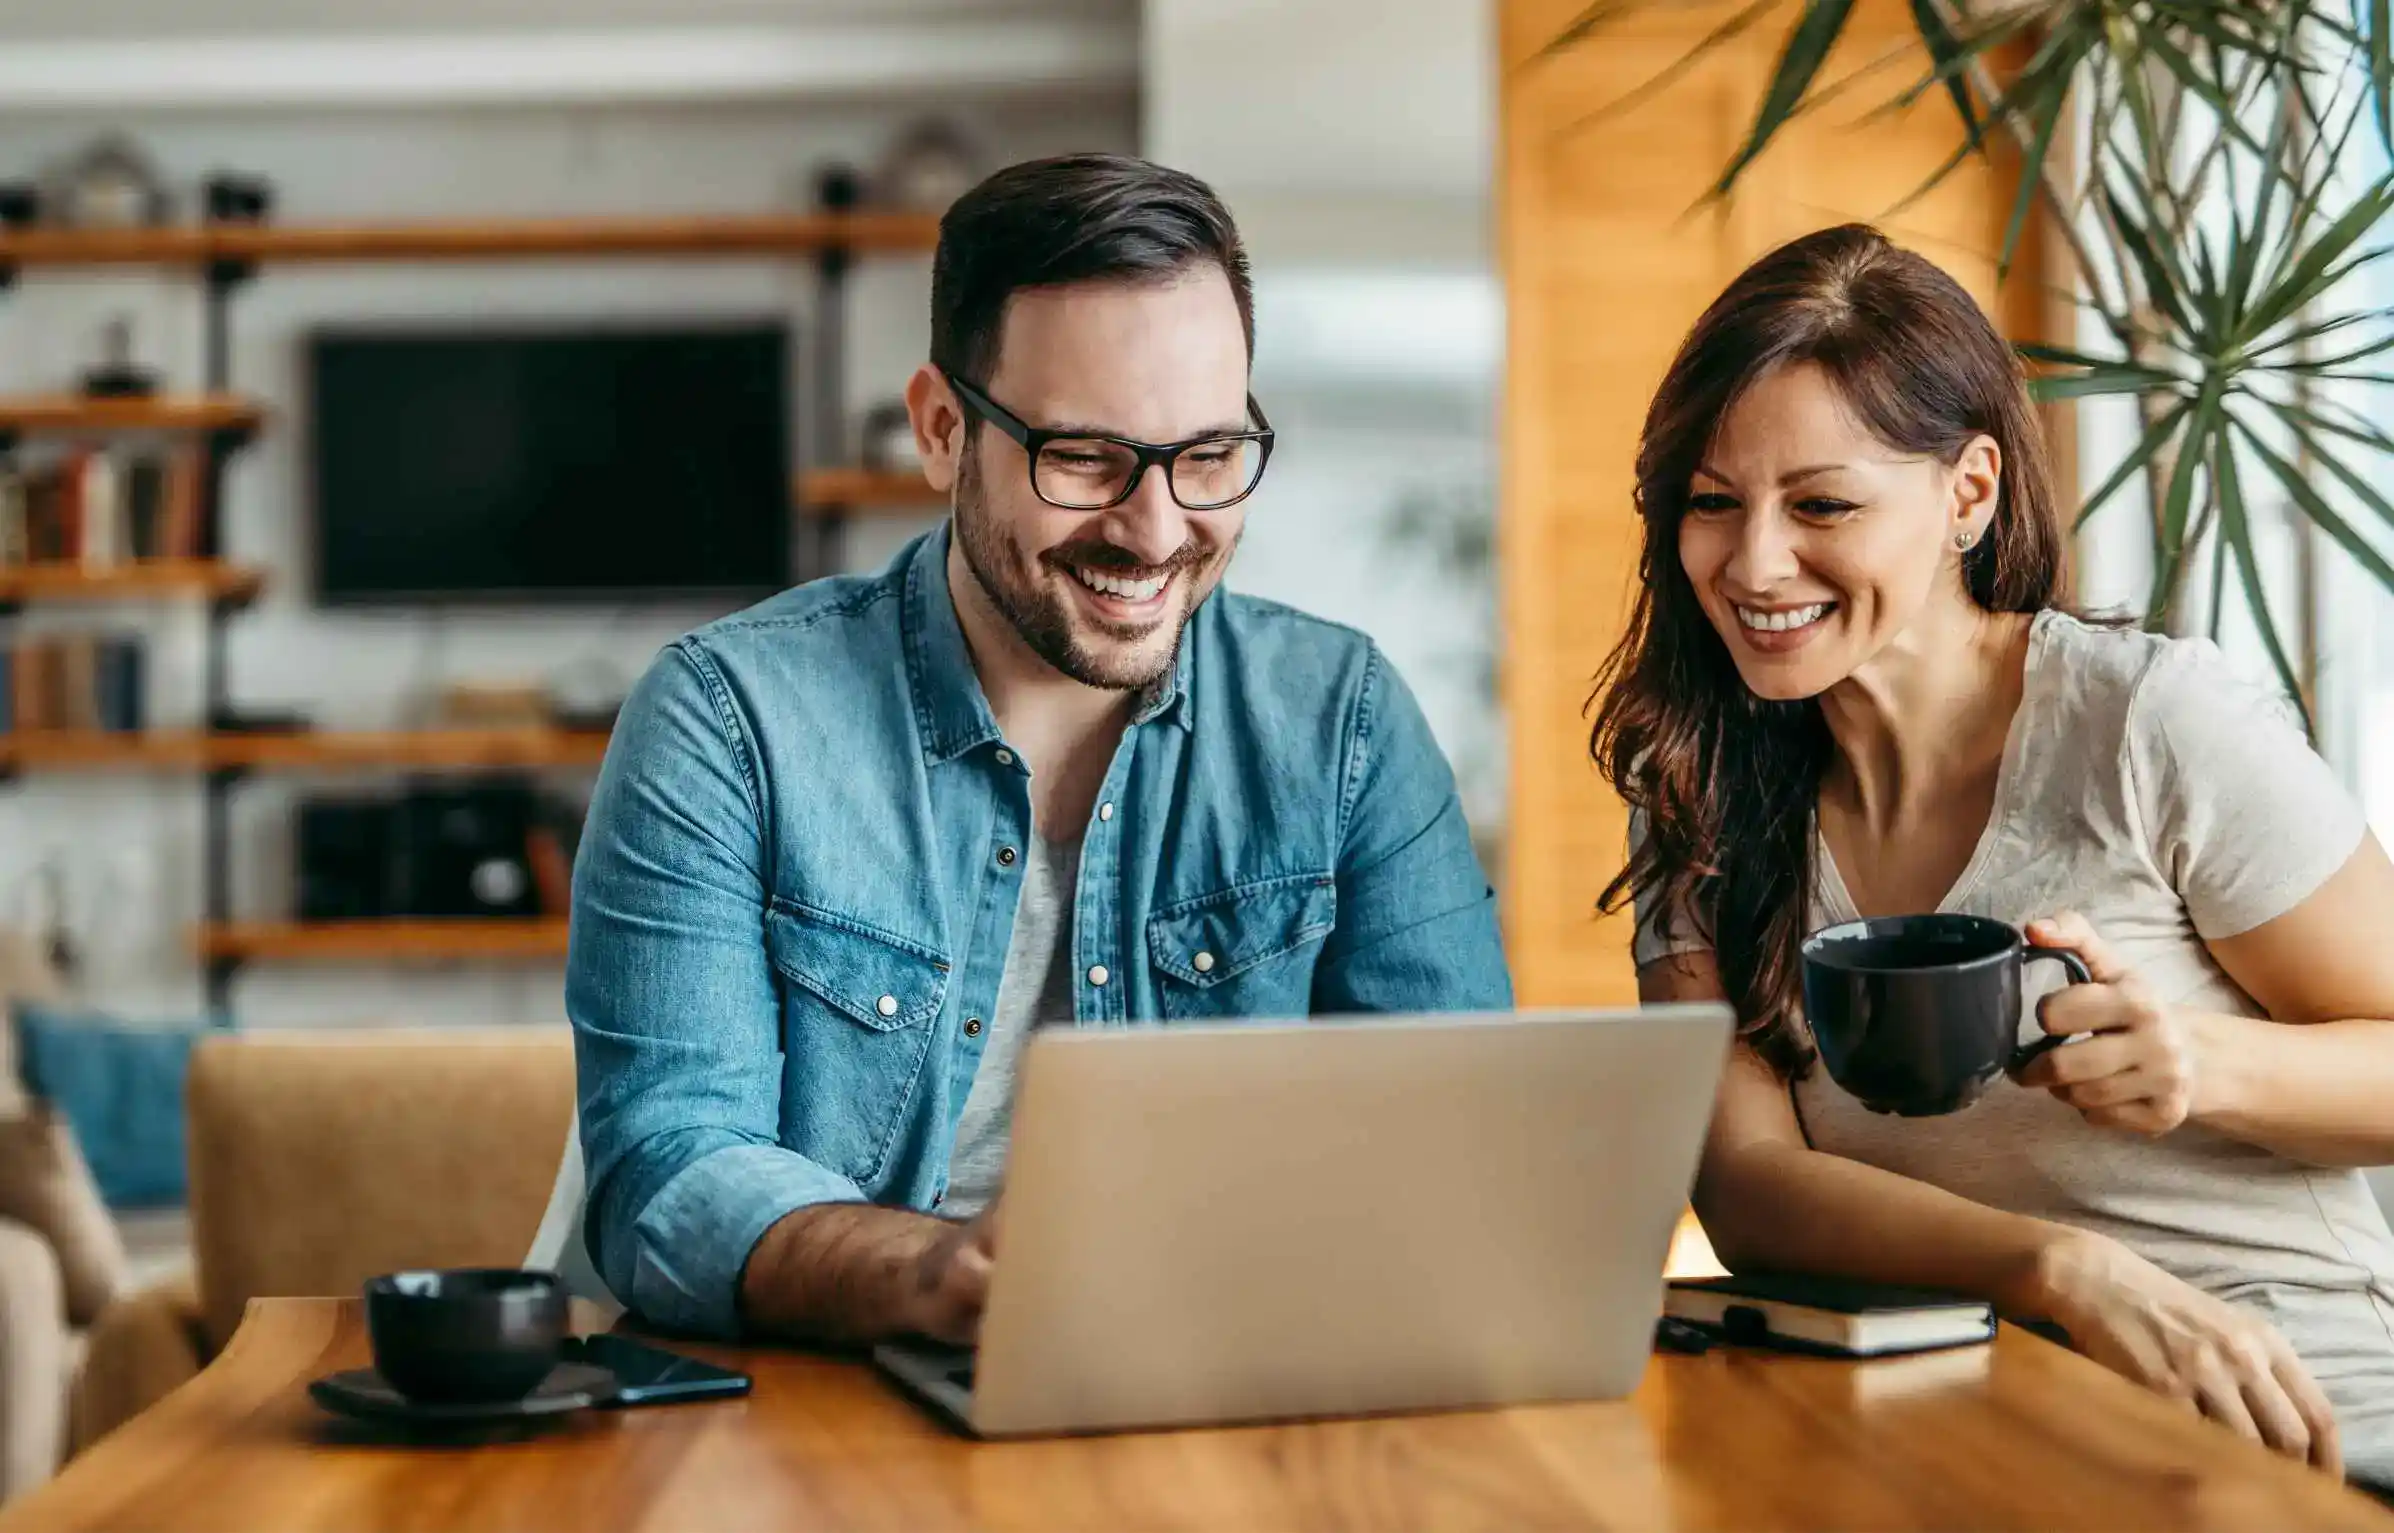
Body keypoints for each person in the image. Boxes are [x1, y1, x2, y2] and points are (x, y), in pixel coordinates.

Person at [567, 153, 1511, 1349]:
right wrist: (926, 1274)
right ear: (942, 430)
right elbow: (667, 1175)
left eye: (1209, 456)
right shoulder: (728, 720)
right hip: (843, 1398)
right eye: (1085, 459)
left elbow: (1462, 1137)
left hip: (1233, 1375)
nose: (1157, 529)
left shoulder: (1344, 720)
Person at [1596, 222, 2394, 1488]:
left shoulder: (2149, 722)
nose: (1752, 564)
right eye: (1710, 501)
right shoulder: (1695, 785)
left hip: (2275, 1390)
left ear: (1968, 492)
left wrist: (2202, 1063)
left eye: (1822, 504)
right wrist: (2061, 1271)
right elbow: (1748, 1192)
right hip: (1959, 1394)